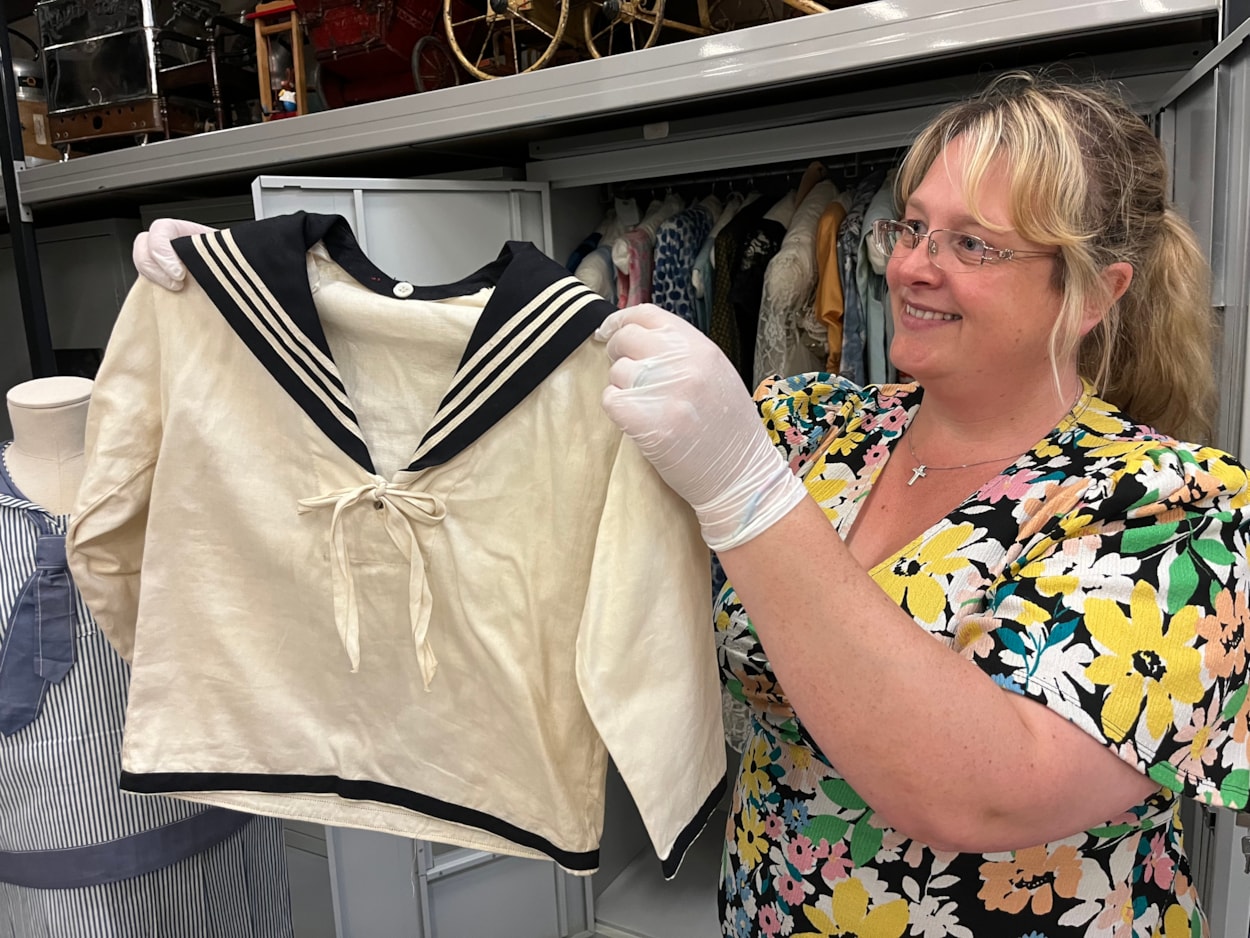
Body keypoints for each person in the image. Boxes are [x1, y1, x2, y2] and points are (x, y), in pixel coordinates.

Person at [133, 72, 1250, 936]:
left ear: (1096, 289)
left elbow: (985, 793)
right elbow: (517, 477)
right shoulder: (814, 426)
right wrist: (253, 312)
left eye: (970, 244)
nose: (911, 265)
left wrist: (751, 497)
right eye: (908, 225)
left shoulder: (1174, 511)